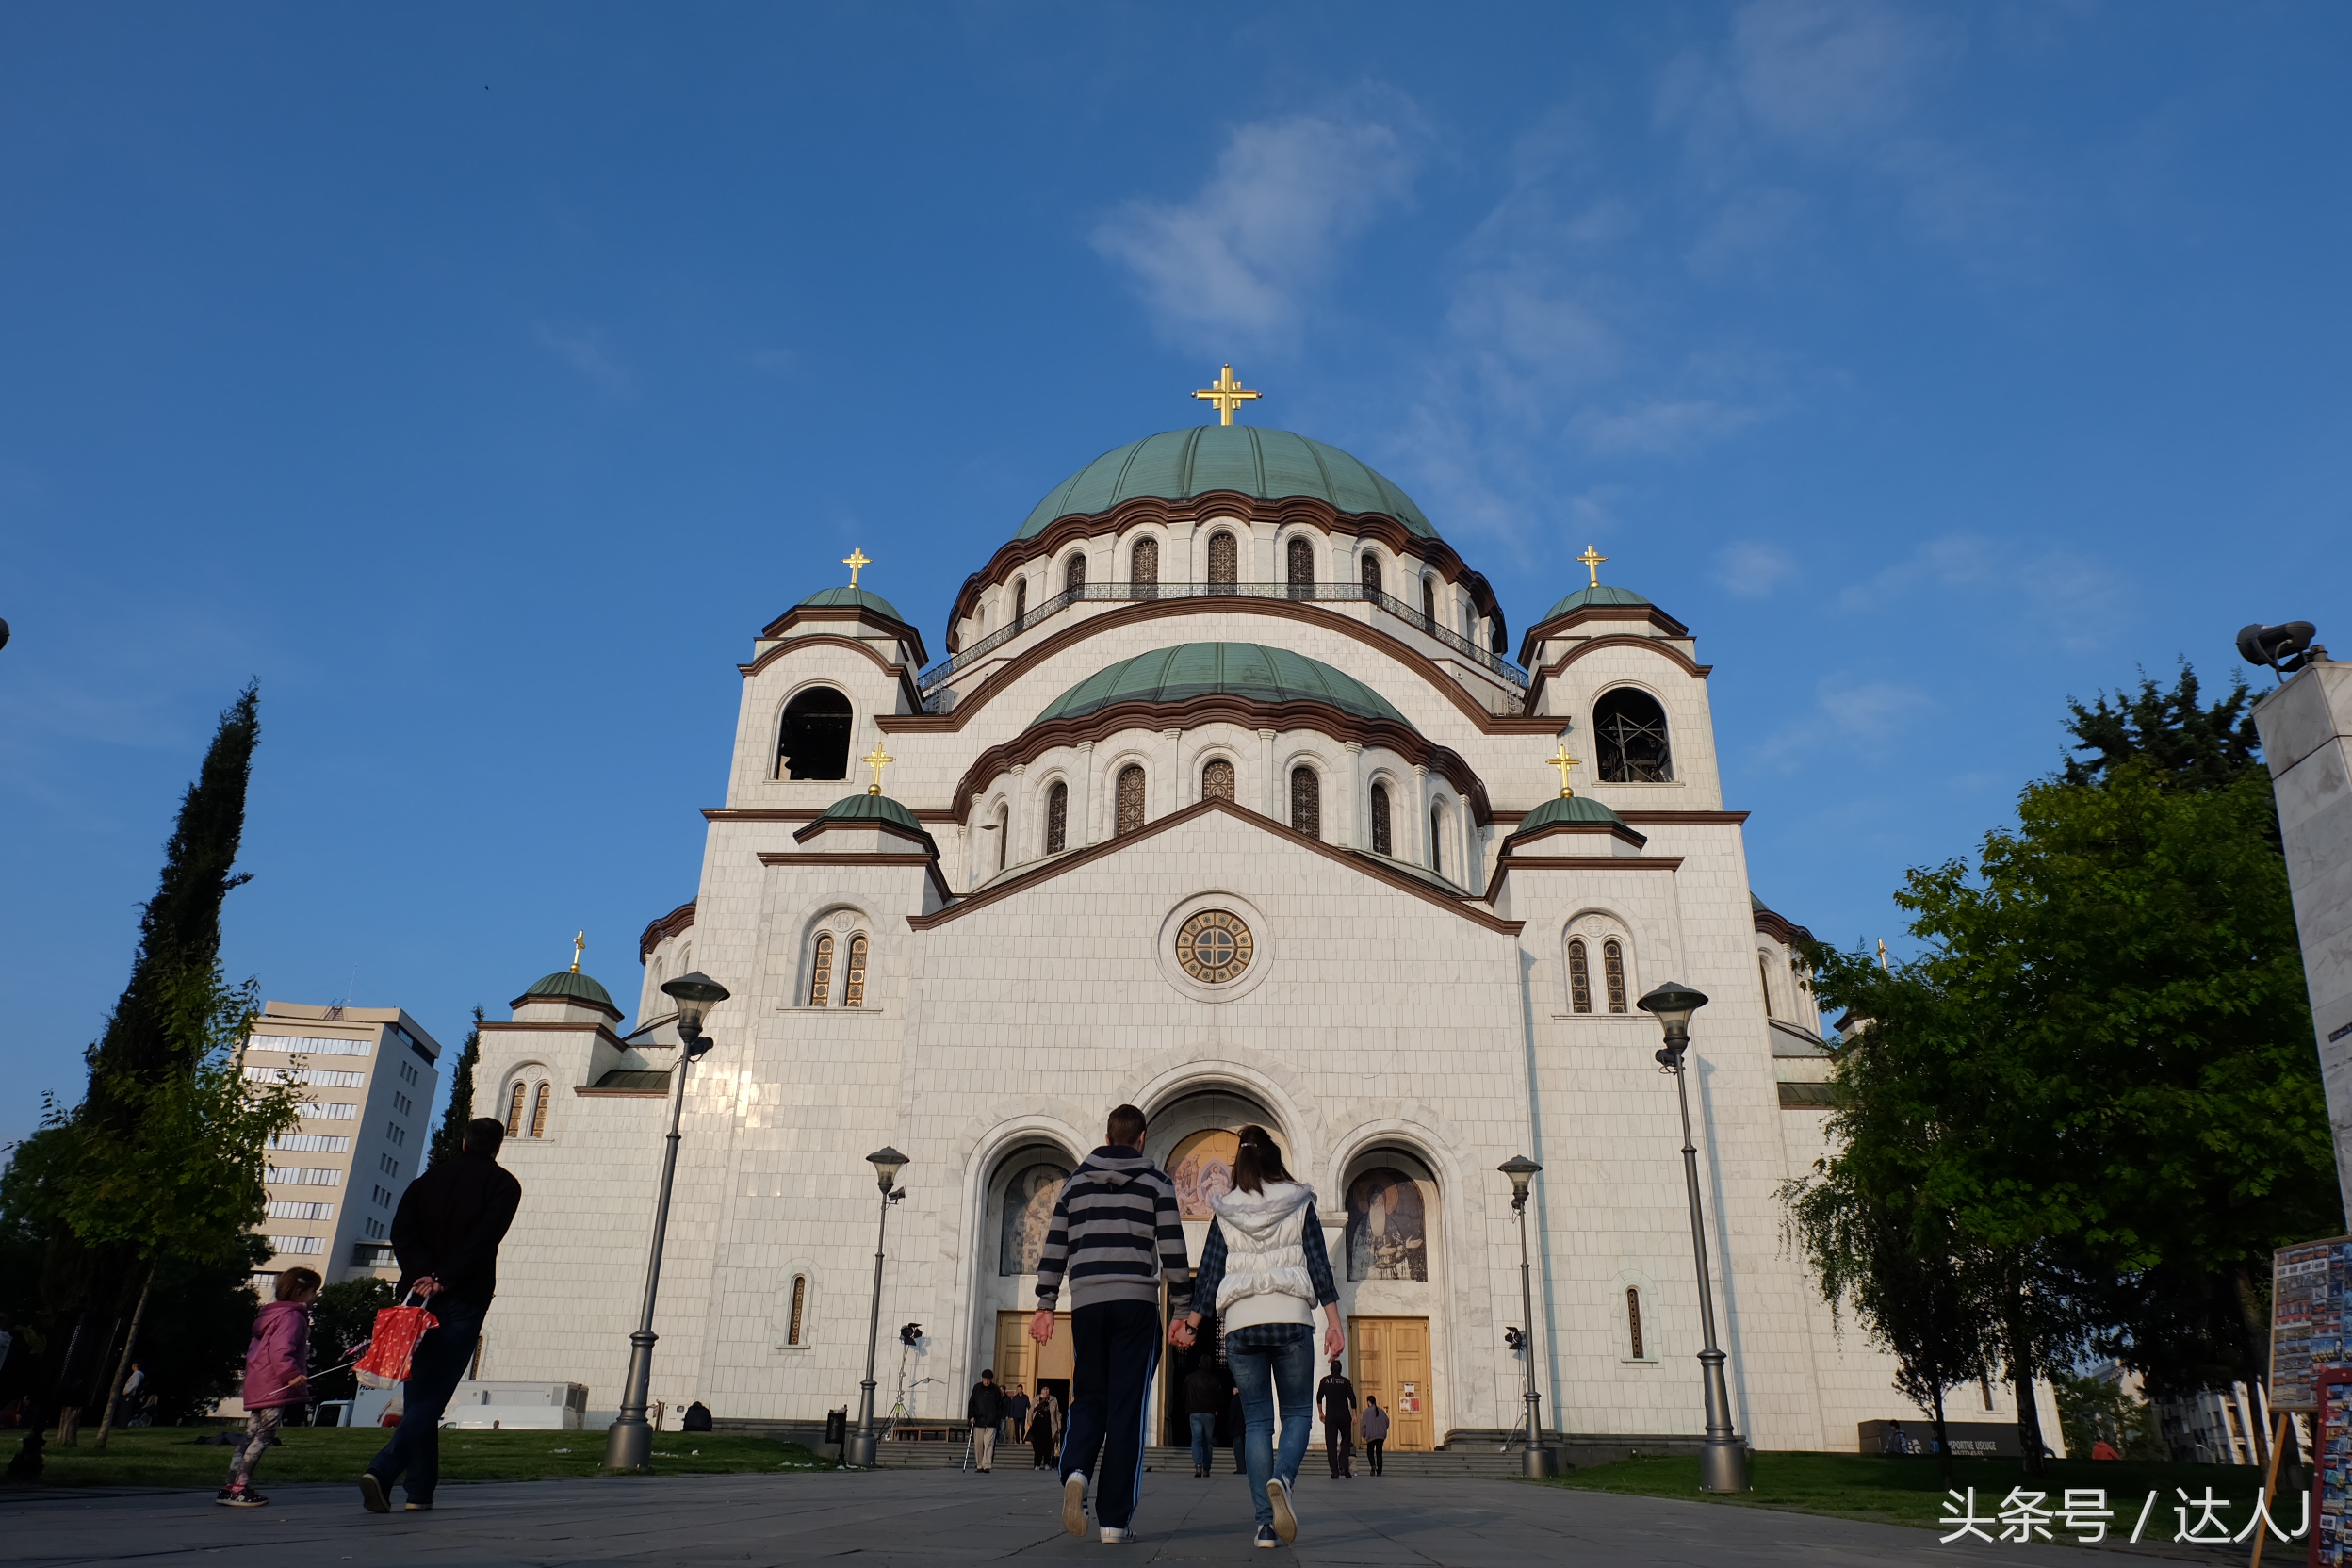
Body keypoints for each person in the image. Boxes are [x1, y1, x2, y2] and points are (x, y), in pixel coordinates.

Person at [1169, 1124, 1342, 1550]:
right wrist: (1335, 1323)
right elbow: (1320, 1267)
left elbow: (1208, 1274)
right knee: (1299, 1412)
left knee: (1260, 1422)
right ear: (1273, 1158)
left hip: (1242, 1325)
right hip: (1291, 1320)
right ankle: (1282, 1478)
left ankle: (1265, 1525)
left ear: (1240, 1163)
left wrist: (1191, 1325)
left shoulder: (1225, 1208)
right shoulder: (1300, 1202)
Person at [1031, 1103, 1191, 1544]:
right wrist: (1181, 1310)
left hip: (1087, 1305)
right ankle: (1114, 1522)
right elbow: (1175, 1251)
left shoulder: (1075, 1185)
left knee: (1090, 1397)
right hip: (1136, 1305)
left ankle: (1077, 1470)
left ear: (1106, 1136)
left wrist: (1046, 1304)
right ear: (1141, 1138)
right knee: (1127, 1409)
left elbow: (1055, 1246)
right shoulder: (1156, 1182)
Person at [361, 1116, 522, 1514]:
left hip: (417, 1296)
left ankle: (419, 1491)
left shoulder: (425, 1183)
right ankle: (384, 1469)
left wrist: (422, 1275)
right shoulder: (504, 1185)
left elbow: (403, 1234)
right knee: (435, 1394)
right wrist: (444, 1277)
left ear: (464, 1143)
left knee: (420, 1394)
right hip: (464, 1293)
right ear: (496, 1147)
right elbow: (484, 1239)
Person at [217, 1268, 321, 1507]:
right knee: (265, 1434)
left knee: (251, 1434)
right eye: (312, 1291)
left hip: (260, 1381)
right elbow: (281, 1350)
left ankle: (229, 1485)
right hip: (275, 1384)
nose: (315, 1296)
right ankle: (240, 1488)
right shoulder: (293, 1317)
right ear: (300, 1292)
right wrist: (291, 1374)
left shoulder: (271, 1315)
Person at [1184, 1358, 1227, 1478]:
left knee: (1196, 1440)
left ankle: (1198, 1465)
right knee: (1208, 1441)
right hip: (1209, 1413)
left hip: (1195, 1412)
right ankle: (1207, 1468)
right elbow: (1220, 1398)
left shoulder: (1190, 1378)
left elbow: (1184, 1394)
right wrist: (1216, 1408)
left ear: (1199, 1364)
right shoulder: (1214, 1380)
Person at [1318, 1359, 1357, 1478]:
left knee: (1331, 1444)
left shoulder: (1325, 1381)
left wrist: (1321, 1413)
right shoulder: (1345, 1382)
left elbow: (1319, 1397)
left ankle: (1334, 1471)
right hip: (1344, 1416)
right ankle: (1344, 1467)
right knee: (1346, 1442)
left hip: (1331, 1416)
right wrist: (1354, 1415)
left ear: (1331, 1369)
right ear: (1340, 1370)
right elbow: (1353, 1399)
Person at [967, 1369, 1004, 1472]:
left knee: (988, 1443)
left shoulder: (996, 1390)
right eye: (984, 1379)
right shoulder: (977, 1388)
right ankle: (979, 1465)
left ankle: (987, 1465)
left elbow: (1000, 1405)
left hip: (991, 1422)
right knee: (978, 1443)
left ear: (991, 1380)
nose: (986, 1382)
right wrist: (971, 1416)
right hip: (978, 1420)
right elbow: (972, 1403)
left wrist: (998, 1416)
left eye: (988, 1380)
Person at [1027, 1385, 1061, 1469]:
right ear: (1041, 1390)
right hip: (1038, 1425)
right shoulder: (1036, 1399)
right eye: (1044, 1389)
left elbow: (1057, 1413)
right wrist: (1029, 1420)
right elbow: (1031, 1411)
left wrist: (1058, 1425)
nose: (1045, 1391)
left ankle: (1047, 1463)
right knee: (1037, 1445)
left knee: (1048, 1445)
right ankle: (1037, 1464)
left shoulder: (1053, 1400)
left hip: (1049, 1425)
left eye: (1047, 1389)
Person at [1360, 1396, 1389, 1477]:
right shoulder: (1382, 1411)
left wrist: (1363, 1434)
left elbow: (1364, 1425)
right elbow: (1387, 1421)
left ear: (1369, 1402)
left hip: (1371, 1435)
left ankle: (1373, 1465)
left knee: (1370, 1452)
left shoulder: (1367, 1412)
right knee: (1379, 1453)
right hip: (1381, 1435)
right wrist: (1383, 1429)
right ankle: (1379, 1471)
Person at [1004, 1381, 1030, 1447]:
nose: (1019, 1390)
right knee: (1016, 1428)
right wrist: (1011, 1416)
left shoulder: (1026, 1397)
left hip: (1022, 1415)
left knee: (1022, 1428)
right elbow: (1012, 1407)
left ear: (1022, 1389)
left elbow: (1028, 1406)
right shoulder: (1015, 1398)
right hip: (1015, 1415)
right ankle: (1017, 1441)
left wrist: (1031, 1412)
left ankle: (1023, 1439)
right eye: (1018, 1389)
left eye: (1020, 1389)